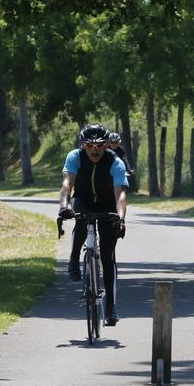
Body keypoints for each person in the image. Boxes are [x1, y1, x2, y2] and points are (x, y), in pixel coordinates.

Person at [60, 123, 128, 325]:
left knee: (107, 257)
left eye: (100, 145)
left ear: (107, 144)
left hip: (108, 203)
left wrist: (121, 218)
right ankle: (74, 258)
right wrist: (64, 206)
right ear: (83, 145)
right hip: (84, 199)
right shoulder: (75, 157)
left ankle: (110, 308)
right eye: (89, 145)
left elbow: (121, 194)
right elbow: (67, 184)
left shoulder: (115, 162)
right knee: (80, 219)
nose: (95, 149)